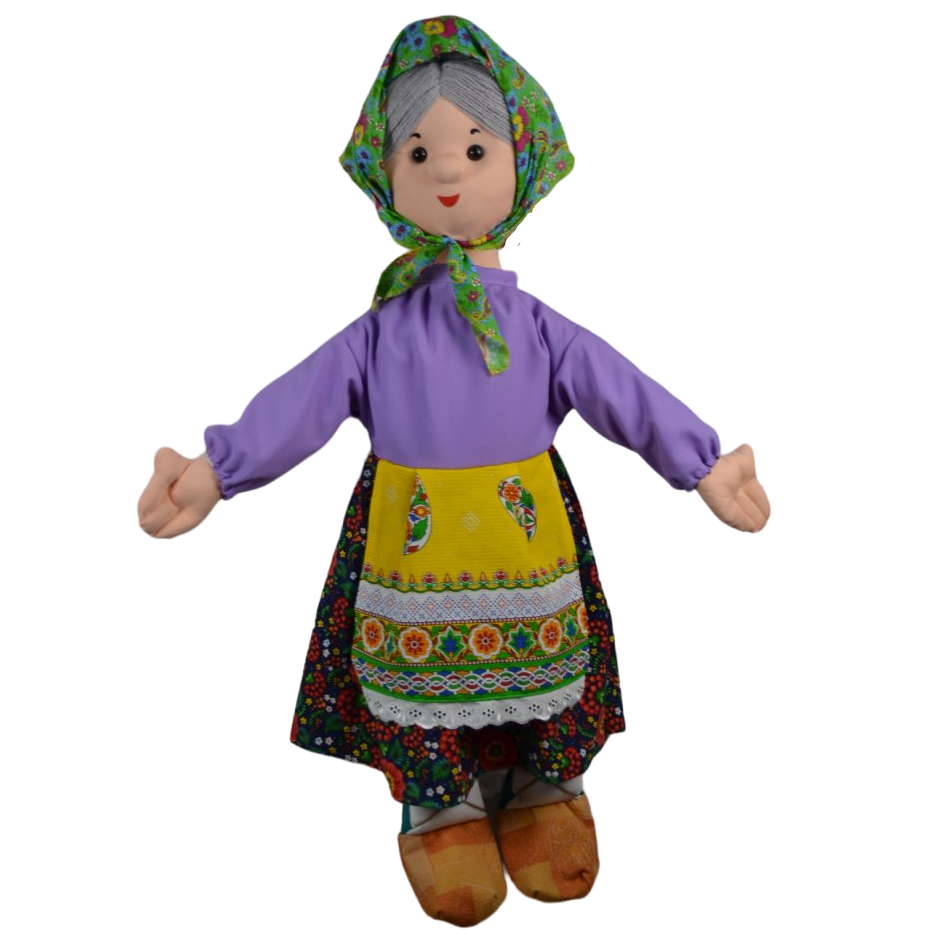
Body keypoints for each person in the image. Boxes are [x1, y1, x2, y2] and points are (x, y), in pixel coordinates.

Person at [138, 16, 770, 927]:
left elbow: (619, 389)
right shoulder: (379, 333)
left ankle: (543, 784)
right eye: (420, 150)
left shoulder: (541, 328)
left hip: (524, 544)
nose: (447, 170)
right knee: (420, 684)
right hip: (413, 546)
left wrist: (701, 462)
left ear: (523, 162)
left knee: (538, 658)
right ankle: (441, 806)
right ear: (384, 169)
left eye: (475, 148)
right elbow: (300, 404)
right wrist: (216, 469)